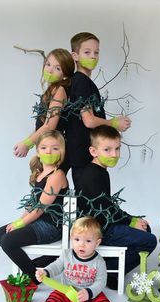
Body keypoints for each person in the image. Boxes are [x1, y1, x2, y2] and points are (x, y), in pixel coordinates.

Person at [76, 125, 157, 289]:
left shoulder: (99, 171)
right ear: (94, 151)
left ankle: (109, 268)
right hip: (100, 228)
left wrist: (132, 219)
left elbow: (108, 205)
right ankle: (111, 274)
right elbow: (104, 207)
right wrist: (130, 221)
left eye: (117, 149)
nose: (114, 154)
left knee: (145, 229)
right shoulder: (92, 174)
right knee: (149, 240)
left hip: (105, 222)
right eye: (107, 149)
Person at [21, 216, 130, 302]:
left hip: (89, 295)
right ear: (71, 239)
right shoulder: (67, 254)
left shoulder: (99, 262)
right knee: (52, 299)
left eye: (88, 241)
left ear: (97, 243)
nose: (81, 245)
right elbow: (56, 266)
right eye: (77, 240)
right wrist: (45, 272)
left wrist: (89, 292)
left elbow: (101, 282)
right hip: (66, 291)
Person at [0, 130, 68, 284]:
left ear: (61, 152)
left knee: (8, 241)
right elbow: (32, 204)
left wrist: (21, 224)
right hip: (37, 221)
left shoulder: (57, 175)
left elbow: (40, 208)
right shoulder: (39, 173)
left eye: (55, 148)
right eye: (44, 148)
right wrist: (17, 221)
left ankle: (34, 276)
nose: (49, 151)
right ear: (38, 152)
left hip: (51, 226)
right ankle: (37, 266)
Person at [64, 32, 132, 189]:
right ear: (75, 56)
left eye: (96, 52)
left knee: (91, 201)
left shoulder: (82, 82)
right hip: (84, 156)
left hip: (84, 154)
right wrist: (114, 123)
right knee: (92, 202)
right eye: (87, 52)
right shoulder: (81, 82)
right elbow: (88, 120)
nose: (93, 56)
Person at [13, 48, 75, 158]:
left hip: (53, 148)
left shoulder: (59, 90)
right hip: (46, 146)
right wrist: (27, 143)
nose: (50, 70)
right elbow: (41, 124)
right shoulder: (52, 89)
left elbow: (49, 126)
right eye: (48, 64)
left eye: (57, 68)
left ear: (65, 74)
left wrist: (27, 144)